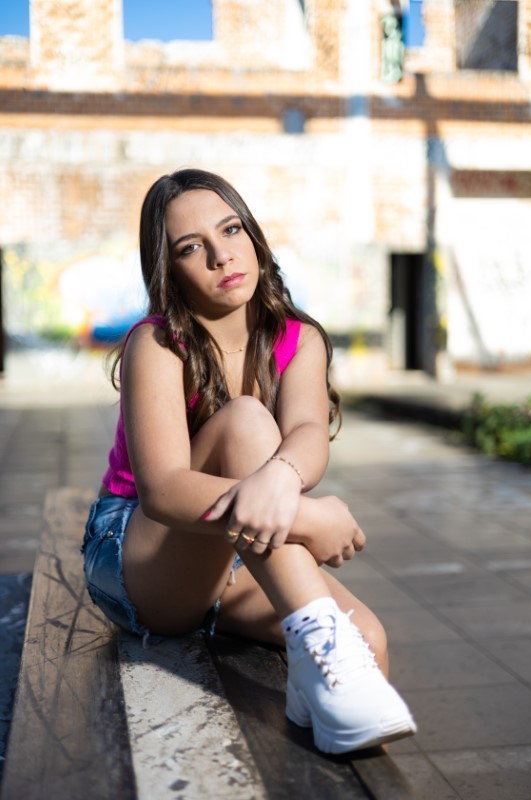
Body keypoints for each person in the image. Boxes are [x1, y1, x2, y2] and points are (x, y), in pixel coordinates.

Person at [82, 168, 416, 754]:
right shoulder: (156, 344)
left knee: (367, 643)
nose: (221, 256)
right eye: (191, 248)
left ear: (254, 236)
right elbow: (163, 491)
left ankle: (318, 693)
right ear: (169, 270)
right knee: (245, 421)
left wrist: (285, 483)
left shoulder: (298, 338)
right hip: (143, 554)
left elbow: (308, 435)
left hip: (233, 547)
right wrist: (309, 517)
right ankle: (316, 639)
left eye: (231, 230)